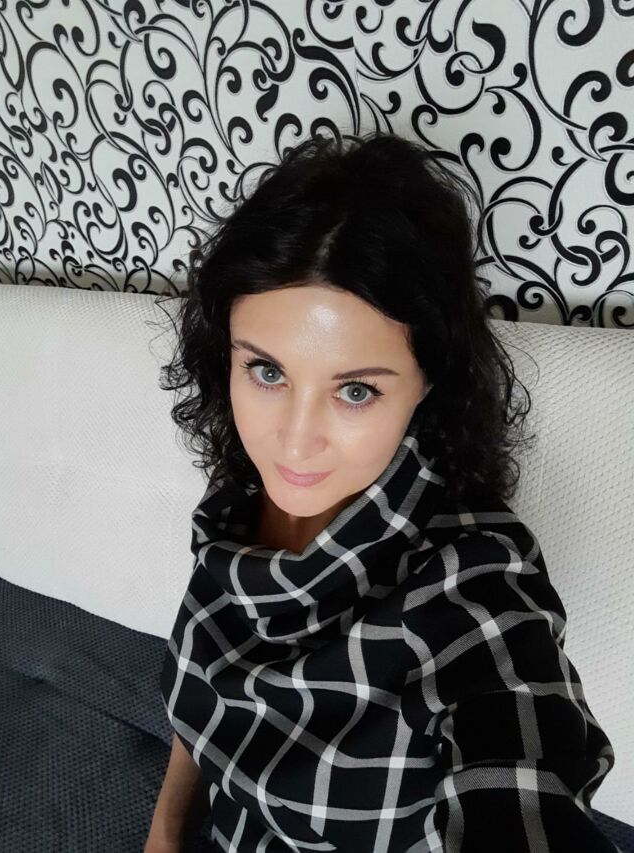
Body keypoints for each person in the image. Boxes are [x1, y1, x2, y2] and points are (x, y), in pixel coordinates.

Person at [145, 131, 617, 852]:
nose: (294, 442)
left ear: (429, 382)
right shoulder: (238, 501)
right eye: (267, 372)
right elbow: (209, 690)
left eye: (356, 390)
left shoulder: (474, 596)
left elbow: (521, 766)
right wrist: (165, 833)